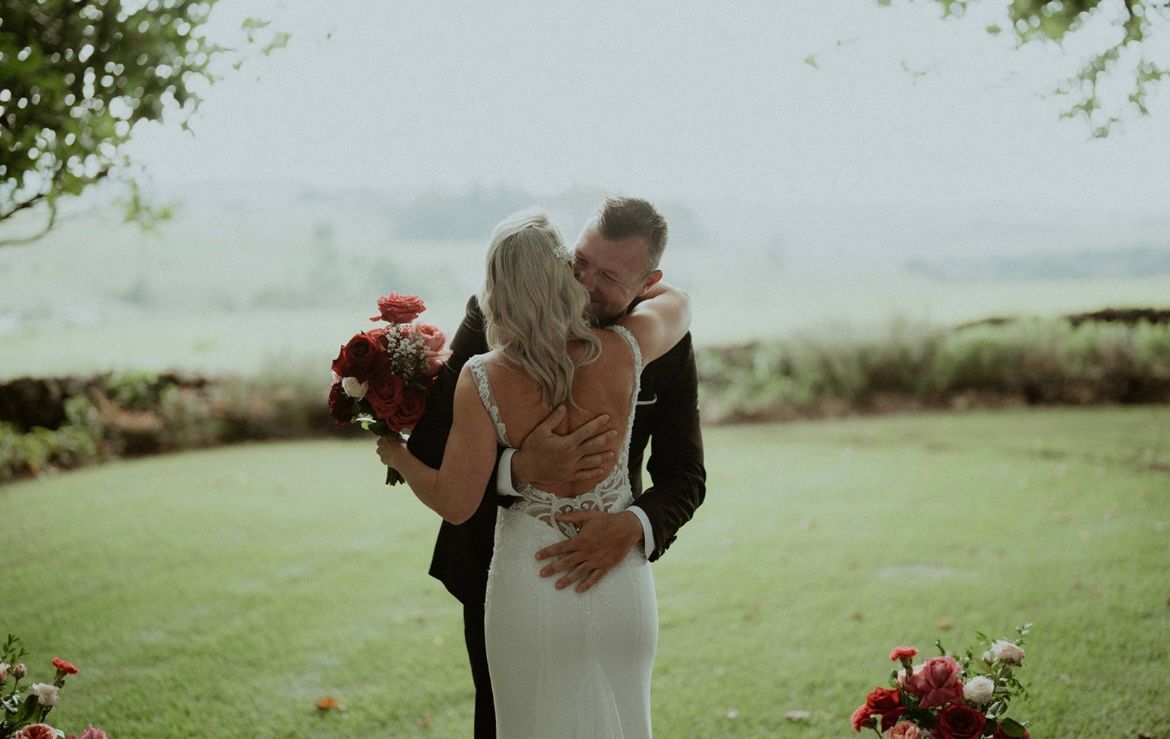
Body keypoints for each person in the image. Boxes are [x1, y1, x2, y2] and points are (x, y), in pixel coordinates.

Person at [388, 197, 705, 736]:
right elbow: (435, 438)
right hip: (499, 565)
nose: (583, 283)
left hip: (613, 563)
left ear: (648, 282)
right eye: (579, 262)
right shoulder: (490, 317)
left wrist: (633, 526)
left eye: (608, 276)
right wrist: (517, 467)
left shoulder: (659, 343)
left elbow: (686, 475)